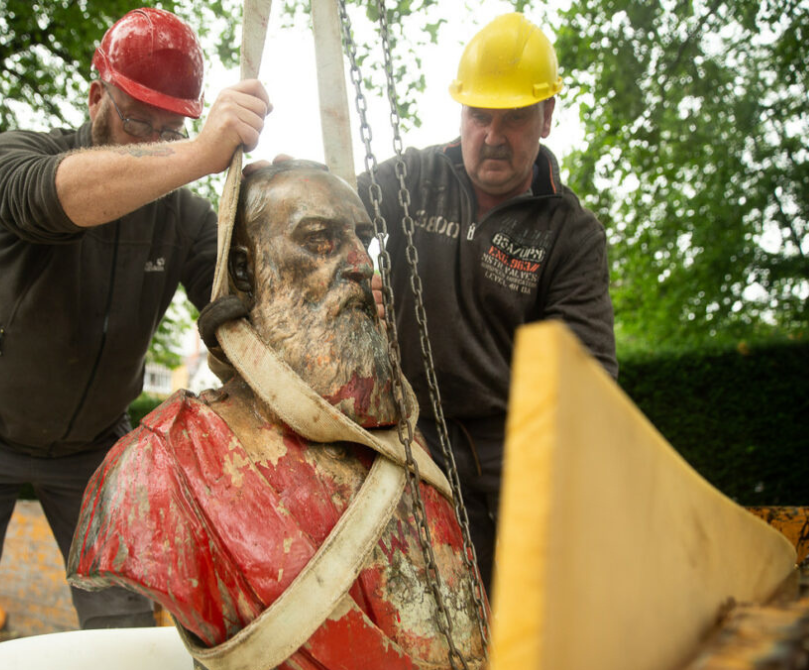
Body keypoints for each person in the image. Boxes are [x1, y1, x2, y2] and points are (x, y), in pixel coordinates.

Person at [0, 8, 271, 669]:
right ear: (98, 96)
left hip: (92, 445)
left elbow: (239, 311)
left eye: (168, 128)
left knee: (123, 625)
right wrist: (197, 152)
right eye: (136, 121)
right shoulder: (18, 159)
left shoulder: (186, 217)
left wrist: (273, 213)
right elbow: (62, 198)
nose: (152, 140)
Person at [68, 161, 488, 670]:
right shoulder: (163, 467)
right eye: (319, 240)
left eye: (361, 241)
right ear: (246, 271)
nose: (361, 263)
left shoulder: (406, 446)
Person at [358, 12, 618, 596]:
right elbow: (329, 214)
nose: (492, 136)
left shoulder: (570, 233)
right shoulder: (415, 177)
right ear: (462, 113)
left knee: (521, 611)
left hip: (513, 451)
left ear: (547, 117)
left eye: (515, 119)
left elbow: (588, 375)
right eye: (479, 116)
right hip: (409, 425)